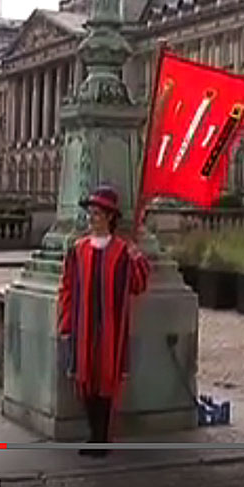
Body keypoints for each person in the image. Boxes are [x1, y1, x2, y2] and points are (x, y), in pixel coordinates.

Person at [57, 185, 151, 457]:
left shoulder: (122, 251)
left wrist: (137, 258)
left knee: (107, 382)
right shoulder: (78, 250)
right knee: (85, 381)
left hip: (112, 329)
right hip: (83, 326)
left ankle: (102, 438)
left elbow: (138, 285)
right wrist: (65, 321)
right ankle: (93, 435)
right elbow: (67, 287)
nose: (92, 218)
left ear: (110, 217)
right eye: (91, 213)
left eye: (97, 213)